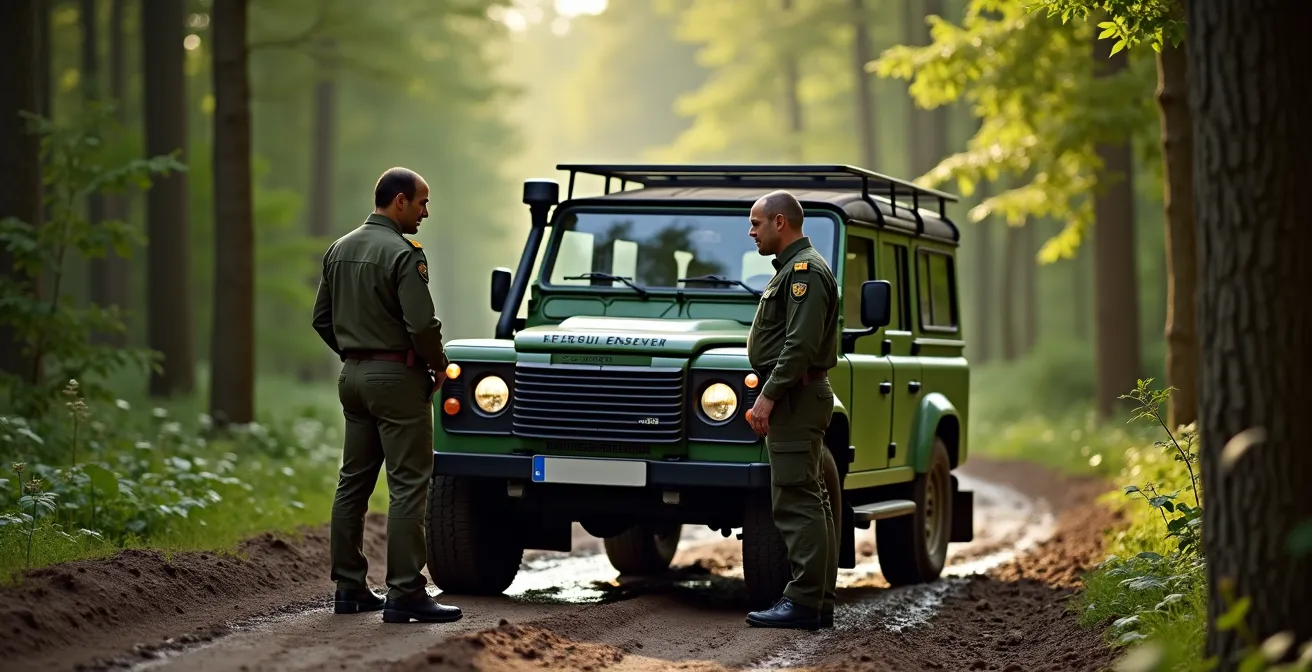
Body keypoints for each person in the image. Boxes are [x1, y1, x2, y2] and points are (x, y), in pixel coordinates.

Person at [311, 166, 462, 624]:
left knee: (352, 482)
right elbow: (422, 325)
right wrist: (438, 365)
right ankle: (406, 592)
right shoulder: (403, 253)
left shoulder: (339, 248)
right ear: (400, 201)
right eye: (422, 202)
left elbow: (321, 319)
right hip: (397, 380)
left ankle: (349, 588)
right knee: (409, 485)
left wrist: (356, 353)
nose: (425, 212)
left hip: (352, 377)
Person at [743, 189, 840, 631]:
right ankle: (817, 600)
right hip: (796, 395)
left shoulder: (805, 271)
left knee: (797, 500)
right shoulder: (793, 269)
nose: (752, 232)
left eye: (756, 223)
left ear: (780, 222)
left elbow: (799, 345)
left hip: (796, 398)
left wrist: (769, 394)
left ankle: (803, 601)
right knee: (810, 498)